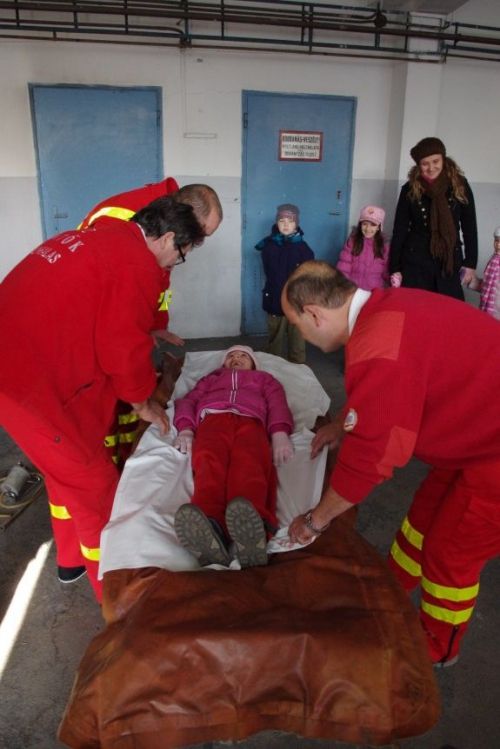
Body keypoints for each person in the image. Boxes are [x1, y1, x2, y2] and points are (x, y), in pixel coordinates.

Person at [281, 260, 500, 667]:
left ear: (314, 314)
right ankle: (389, 591)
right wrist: (344, 423)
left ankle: (437, 645)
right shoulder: (385, 308)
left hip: (491, 451)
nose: (302, 335)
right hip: (479, 433)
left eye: (297, 326)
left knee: (450, 552)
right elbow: (390, 386)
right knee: (423, 520)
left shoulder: (376, 344)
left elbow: (371, 460)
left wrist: (315, 520)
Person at [0, 196, 205, 600]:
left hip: (21, 371)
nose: (173, 266)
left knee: (65, 477)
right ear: (167, 239)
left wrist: (148, 329)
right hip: (33, 390)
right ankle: (116, 599)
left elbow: (93, 311)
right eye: (180, 256)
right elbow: (122, 350)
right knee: (97, 490)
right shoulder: (135, 265)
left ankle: (71, 561)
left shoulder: (101, 237)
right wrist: (143, 401)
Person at [79, 180, 223, 466]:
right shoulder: (122, 222)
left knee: (128, 384)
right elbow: (118, 322)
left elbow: (160, 284)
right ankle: (104, 458)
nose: (196, 246)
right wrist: (141, 399)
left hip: (114, 316)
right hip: (88, 326)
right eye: (199, 237)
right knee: (106, 392)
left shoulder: (166, 231)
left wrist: (157, 324)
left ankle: (123, 450)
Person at [173, 345, 294, 569]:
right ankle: (209, 525)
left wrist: (279, 432)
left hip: (251, 422)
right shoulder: (211, 379)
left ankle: (252, 528)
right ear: (223, 363)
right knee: (209, 464)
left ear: (254, 364)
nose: (236, 358)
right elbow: (189, 401)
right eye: (231, 356)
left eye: (243, 356)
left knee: (249, 466)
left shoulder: (264, 380)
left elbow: (277, 404)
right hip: (212, 422)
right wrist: (186, 428)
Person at [389, 137, 478, 299]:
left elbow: (469, 227)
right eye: (425, 163)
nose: (431, 168)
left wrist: (470, 263)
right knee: (417, 308)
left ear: (443, 159)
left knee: (448, 310)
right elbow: (399, 230)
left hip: (449, 261)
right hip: (416, 263)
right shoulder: (409, 189)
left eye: (435, 161)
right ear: (418, 165)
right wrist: (394, 267)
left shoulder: (459, 185)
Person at [256, 203, 314, 363]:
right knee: (275, 338)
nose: (286, 225)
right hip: (275, 299)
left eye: (290, 221)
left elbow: (309, 276)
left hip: (297, 303)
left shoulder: (303, 248)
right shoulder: (269, 246)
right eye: (282, 221)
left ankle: (298, 367)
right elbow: (270, 271)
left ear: (297, 223)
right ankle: (272, 366)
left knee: (297, 339)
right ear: (277, 223)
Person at [336, 205, 389, 290]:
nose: (368, 229)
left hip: (375, 291)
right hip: (354, 289)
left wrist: (393, 280)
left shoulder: (384, 246)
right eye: (365, 224)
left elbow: (386, 271)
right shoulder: (352, 242)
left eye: (373, 225)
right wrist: (344, 287)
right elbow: (344, 268)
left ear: (379, 227)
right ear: (360, 225)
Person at [468, 225, 500, 320]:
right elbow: (488, 285)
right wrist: (472, 281)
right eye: (496, 241)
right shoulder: (493, 261)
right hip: (488, 309)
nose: (498, 245)